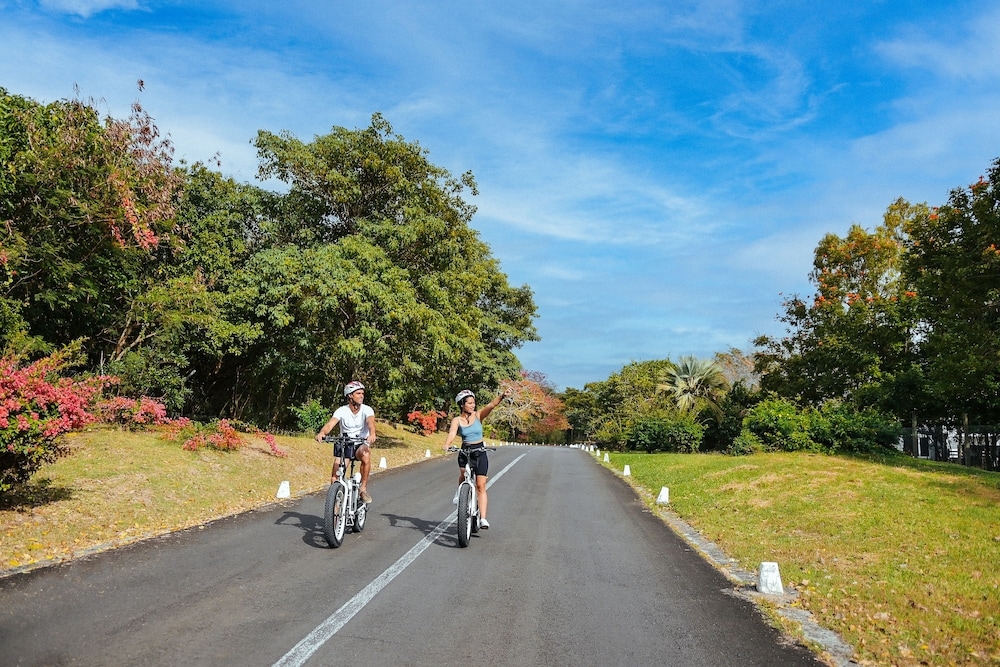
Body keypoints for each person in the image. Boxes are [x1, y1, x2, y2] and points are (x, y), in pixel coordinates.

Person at [442, 387, 510, 529]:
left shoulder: (479, 415)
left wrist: (502, 396)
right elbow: (452, 433)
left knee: (481, 485)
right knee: (463, 474)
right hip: (465, 450)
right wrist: (447, 445)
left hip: (479, 451)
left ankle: (483, 518)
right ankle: (460, 492)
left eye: (474, 403)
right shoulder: (457, 420)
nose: (473, 405)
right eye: (469, 403)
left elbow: (491, 405)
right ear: (462, 404)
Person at [315, 381, 377, 503]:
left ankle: (362, 489)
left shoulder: (367, 410)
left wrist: (372, 434)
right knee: (335, 477)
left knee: (366, 455)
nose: (361, 396)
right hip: (345, 444)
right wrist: (322, 433)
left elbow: (371, 423)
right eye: (358, 393)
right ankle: (335, 512)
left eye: (362, 393)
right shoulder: (342, 411)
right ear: (350, 396)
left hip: (361, 443)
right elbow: (330, 424)